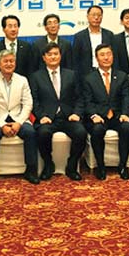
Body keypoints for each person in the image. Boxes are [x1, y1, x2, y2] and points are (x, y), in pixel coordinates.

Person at [29, 43, 87, 181]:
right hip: (48, 118)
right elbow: (34, 100)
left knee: (81, 133)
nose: (53, 57)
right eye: (49, 54)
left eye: (56, 54)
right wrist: (41, 116)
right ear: (44, 58)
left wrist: (77, 113)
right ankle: (48, 164)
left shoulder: (71, 74)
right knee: (42, 133)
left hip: (69, 117)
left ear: (60, 56)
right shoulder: (36, 76)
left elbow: (80, 97)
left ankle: (72, 166)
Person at [0, 49, 38, 187]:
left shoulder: (22, 80)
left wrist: (18, 123)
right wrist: (2, 125)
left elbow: (28, 104)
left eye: (11, 61)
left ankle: (31, 170)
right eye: (5, 61)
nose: (9, 64)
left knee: (30, 132)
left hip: (18, 118)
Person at [82, 44, 129, 180]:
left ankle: (122, 166)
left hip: (117, 115)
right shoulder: (89, 78)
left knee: (127, 128)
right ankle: (100, 166)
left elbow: (126, 97)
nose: (106, 58)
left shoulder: (121, 76)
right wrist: (93, 115)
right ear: (96, 58)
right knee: (97, 130)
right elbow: (87, 101)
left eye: (108, 54)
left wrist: (125, 113)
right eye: (102, 55)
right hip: (98, 115)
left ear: (113, 56)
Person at [72, 5, 115, 80]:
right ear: (87, 16)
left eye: (99, 15)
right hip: (86, 74)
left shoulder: (109, 35)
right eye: (93, 15)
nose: (96, 17)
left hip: (106, 73)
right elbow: (75, 60)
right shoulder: (79, 36)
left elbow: (114, 56)